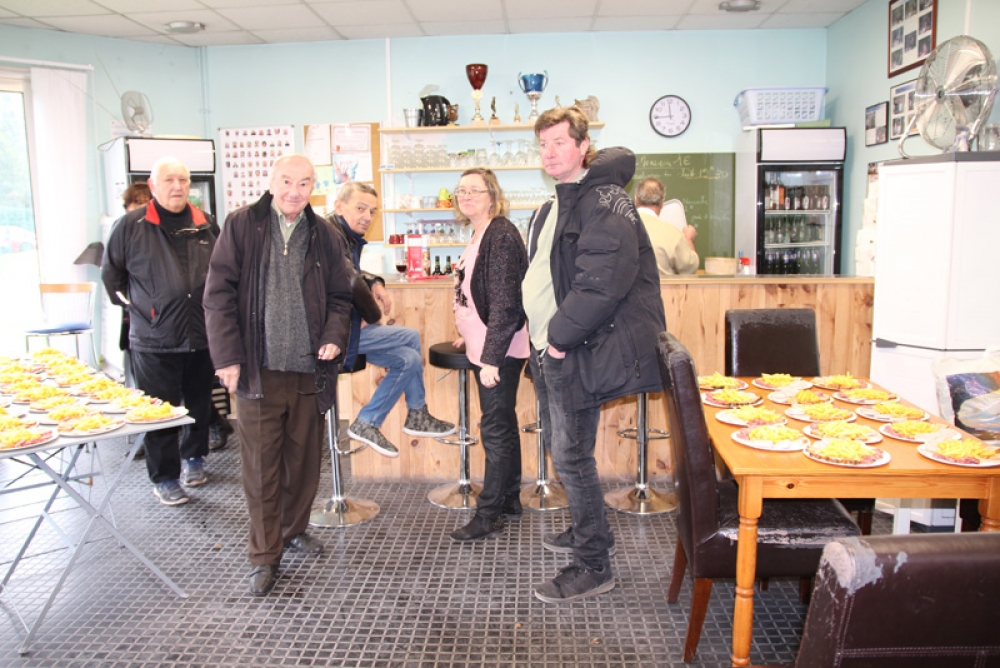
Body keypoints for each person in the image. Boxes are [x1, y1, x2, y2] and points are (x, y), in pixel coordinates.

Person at [523, 107, 666, 603]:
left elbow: (601, 283)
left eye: (560, 142)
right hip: (550, 345)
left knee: (571, 455)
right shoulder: (563, 200)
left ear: (584, 146)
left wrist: (558, 340)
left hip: (573, 347)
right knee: (565, 449)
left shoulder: (603, 199)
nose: (549, 153)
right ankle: (588, 528)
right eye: (543, 145)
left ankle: (594, 563)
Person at [204, 154, 352, 597]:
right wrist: (227, 358)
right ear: (271, 182)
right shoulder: (242, 226)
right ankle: (265, 555)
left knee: (303, 464)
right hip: (258, 370)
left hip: (308, 369)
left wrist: (333, 335)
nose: (294, 191)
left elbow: (341, 297)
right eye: (287, 181)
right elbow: (217, 295)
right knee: (261, 468)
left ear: (313, 188)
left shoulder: (325, 234)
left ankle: (292, 530)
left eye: (304, 183)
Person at [102, 157, 217, 506]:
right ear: (153, 186)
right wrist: (143, 310)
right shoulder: (130, 226)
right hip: (154, 339)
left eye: (183, 179)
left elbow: (225, 273)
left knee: (198, 402)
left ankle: (194, 458)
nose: (177, 186)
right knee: (159, 411)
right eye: (169, 180)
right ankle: (164, 477)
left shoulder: (206, 224)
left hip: (202, 332)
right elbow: (112, 277)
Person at [326, 182, 455, 457]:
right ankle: (416, 413)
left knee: (408, 359)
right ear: (339, 206)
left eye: (372, 211)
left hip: (342, 327)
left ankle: (368, 421)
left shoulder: (343, 235)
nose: (367, 216)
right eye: (361, 208)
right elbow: (350, 281)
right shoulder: (331, 235)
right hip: (331, 334)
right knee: (409, 336)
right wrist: (372, 316)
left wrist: (374, 281)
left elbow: (354, 273)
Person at [448, 168, 530, 542]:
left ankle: (489, 514)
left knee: (494, 430)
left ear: (492, 197)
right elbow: (477, 293)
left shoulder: (501, 235)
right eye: (461, 190)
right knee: (502, 423)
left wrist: (492, 357)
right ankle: (509, 499)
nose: (466, 196)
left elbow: (507, 303)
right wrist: (468, 332)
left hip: (500, 350)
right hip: (486, 344)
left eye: (475, 190)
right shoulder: (481, 232)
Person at [633, 177, 699, 277]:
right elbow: (689, 268)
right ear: (662, 201)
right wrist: (689, 239)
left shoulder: (617, 228)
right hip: (660, 287)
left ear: (636, 198)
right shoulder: (673, 234)